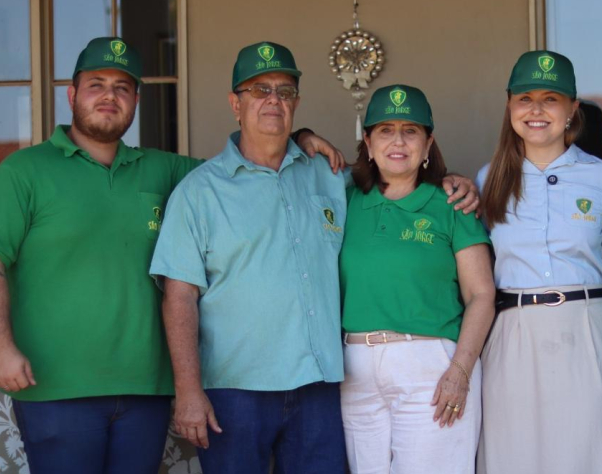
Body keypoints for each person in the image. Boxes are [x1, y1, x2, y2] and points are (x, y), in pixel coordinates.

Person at [0, 37, 341, 474]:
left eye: (123, 87)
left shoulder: (166, 171)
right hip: (56, 386)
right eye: (96, 84)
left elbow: (251, 165)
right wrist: (3, 347)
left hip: (145, 389)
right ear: (72, 95)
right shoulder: (24, 171)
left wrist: (298, 135)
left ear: (136, 101)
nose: (110, 96)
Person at [149, 43, 479, 474]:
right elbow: (179, 296)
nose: (273, 100)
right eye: (259, 90)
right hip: (235, 390)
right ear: (235, 103)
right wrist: (188, 389)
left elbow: (395, 178)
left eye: (285, 92)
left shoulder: (329, 176)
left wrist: (450, 181)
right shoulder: (199, 192)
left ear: (296, 103)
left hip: (320, 388)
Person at [475, 50, 602, 473]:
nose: (536, 110)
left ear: (572, 109)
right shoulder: (486, 178)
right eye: (525, 98)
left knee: (591, 451)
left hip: (588, 330)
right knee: (518, 453)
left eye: (550, 99)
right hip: (514, 333)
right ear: (510, 106)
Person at [338, 85, 495, 473]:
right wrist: (304, 135)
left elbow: (481, 294)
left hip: (431, 367)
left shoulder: (452, 204)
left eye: (410, 130)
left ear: (428, 145)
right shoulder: (342, 199)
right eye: (386, 129)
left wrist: (460, 371)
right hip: (354, 369)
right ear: (368, 143)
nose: (398, 140)